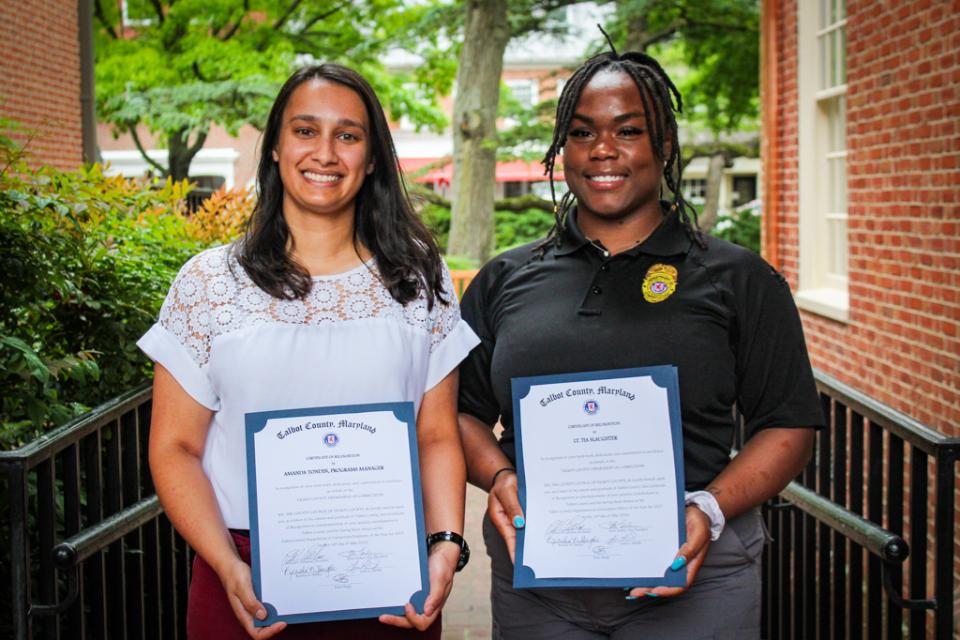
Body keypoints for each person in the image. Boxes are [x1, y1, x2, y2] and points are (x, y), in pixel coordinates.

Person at [457, 46, 825, 639]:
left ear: (665, 145)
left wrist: (710, 508)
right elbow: (464, 414)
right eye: (582, 132)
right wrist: (500, 478)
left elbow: (788, 424)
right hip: (540, 583)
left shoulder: (736, 277)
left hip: (697, 574)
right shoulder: (507, 278)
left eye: (628, 130)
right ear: (561, 149)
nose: (603, 150)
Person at [139, 64, 479, 640]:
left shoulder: (420, 275)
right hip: (246, 579)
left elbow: (437, 435)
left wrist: (446, 545)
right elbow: (174, 448)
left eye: (348, 135)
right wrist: (227, 565)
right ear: (274, 146)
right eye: (305, 131)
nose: (325, 152)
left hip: (392, 582)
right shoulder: (207, 282)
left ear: (371, 158)